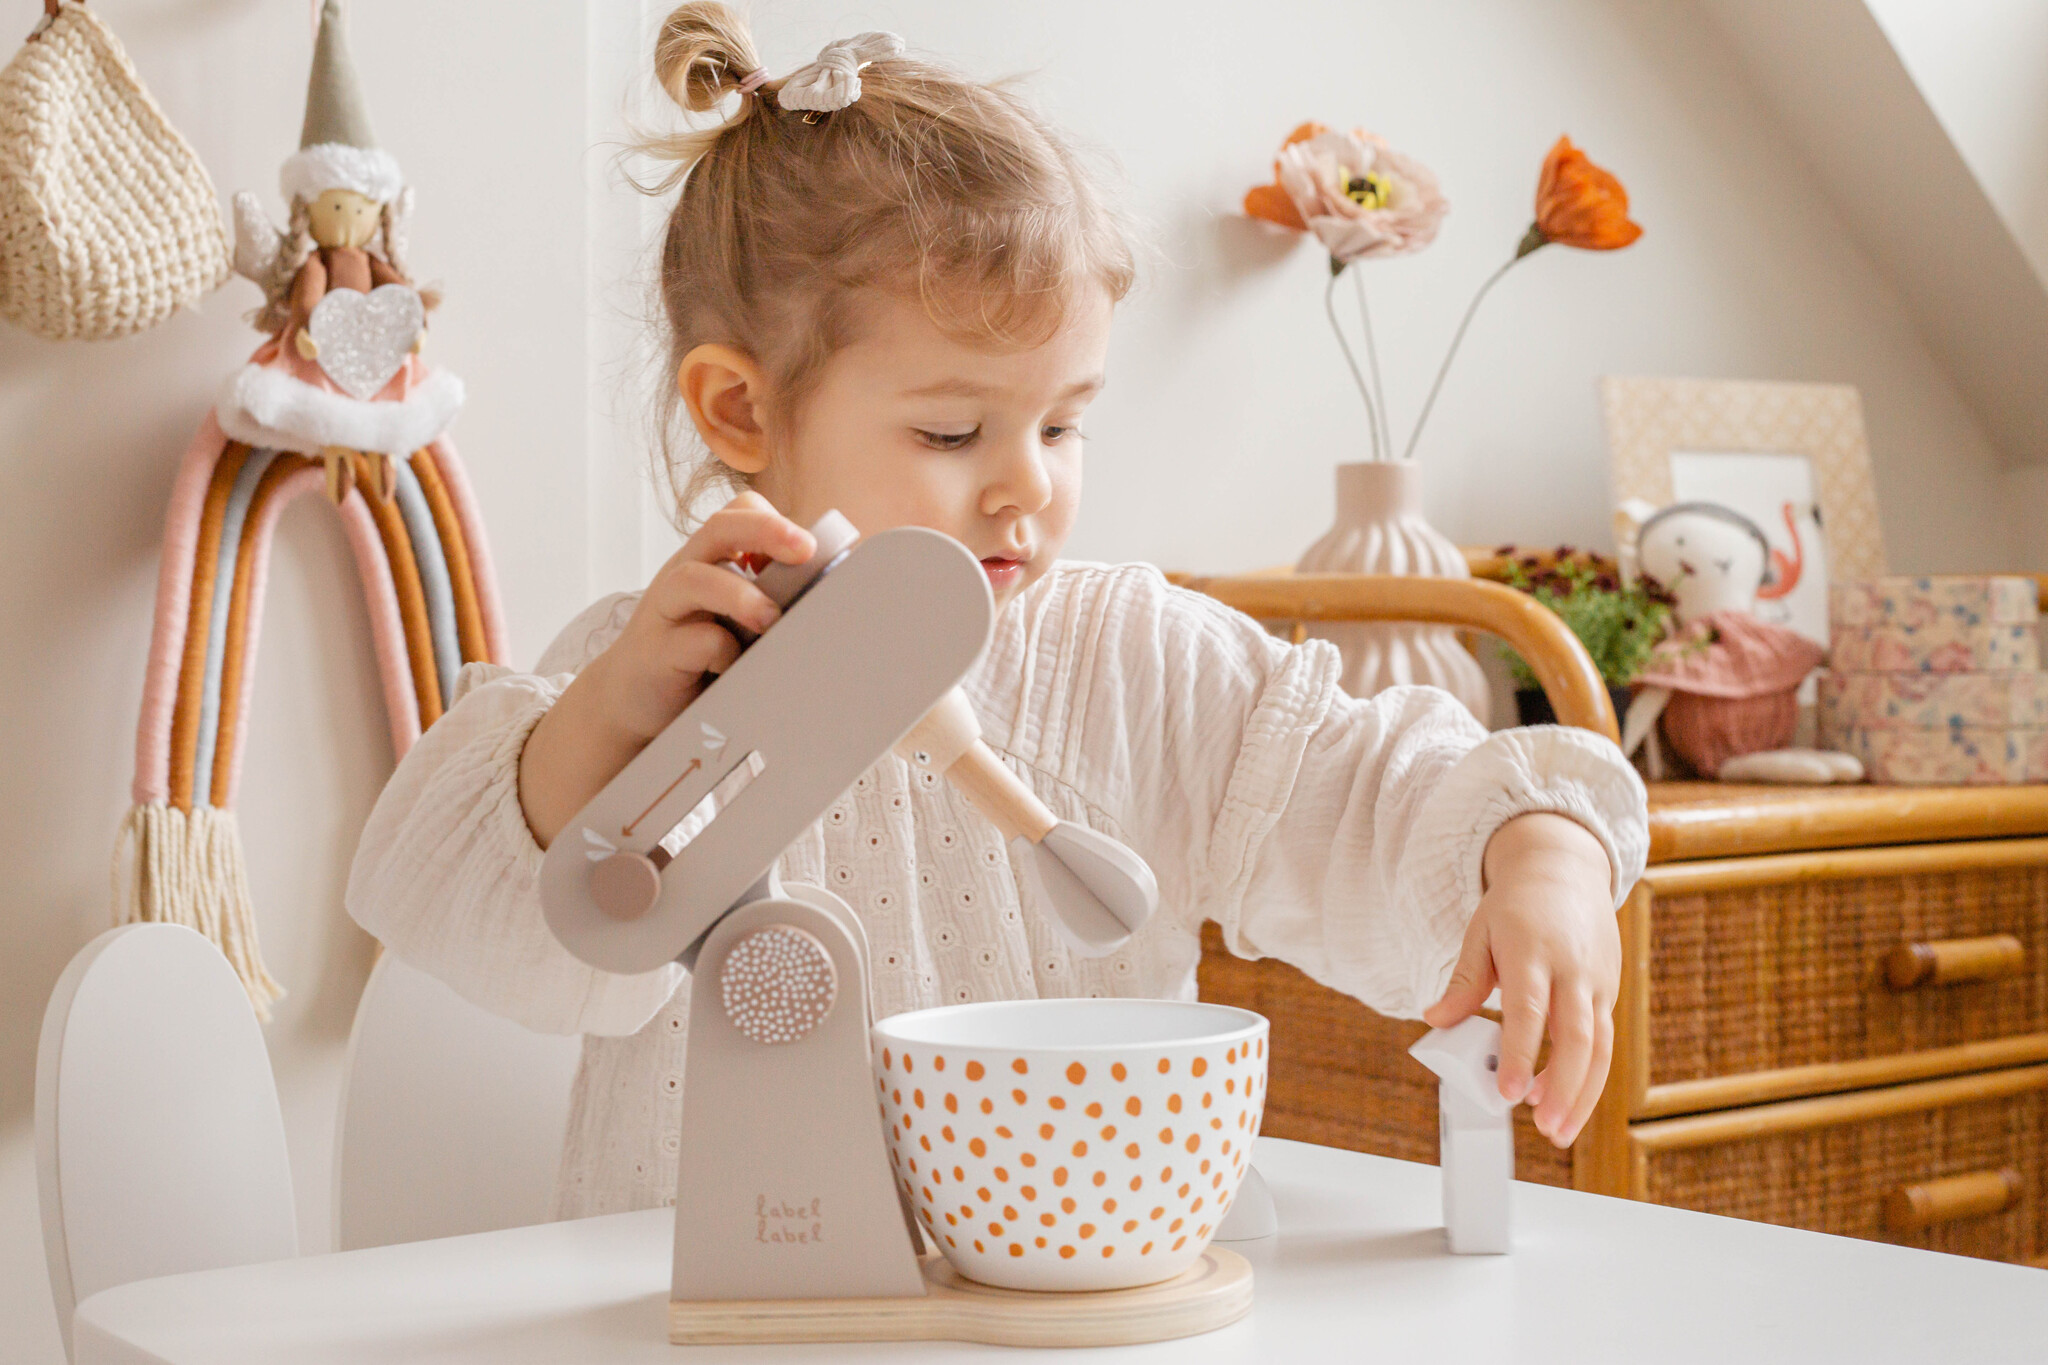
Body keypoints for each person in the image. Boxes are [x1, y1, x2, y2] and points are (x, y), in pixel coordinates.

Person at [346, 4, 1647, 1220]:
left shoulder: (1135, 661)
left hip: (1069, 1304)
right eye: (954, 430)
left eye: (1064, 423)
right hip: (731, 1312)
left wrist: (1538, 850)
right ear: (742, 409)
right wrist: (607, 731)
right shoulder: (661, 674)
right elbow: (481, 929)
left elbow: (1371, 791)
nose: (1029, 483)